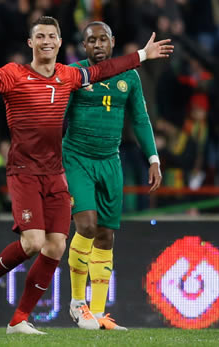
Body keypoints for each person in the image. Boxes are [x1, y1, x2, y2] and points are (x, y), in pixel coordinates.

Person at [0, 16, 172, 335]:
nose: (47, 40)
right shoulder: (12, 75)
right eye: (41, 36)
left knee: (56, 246)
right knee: (34, 241)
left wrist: (143, 55)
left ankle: (19, 319)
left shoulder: (68, 75)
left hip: (55, 172)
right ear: (31, 43)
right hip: (23, 171)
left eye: (52, 36)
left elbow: (104, 71)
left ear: (60, 43)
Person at [63, 22, 162, 331]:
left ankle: (98, 314)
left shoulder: (129, 77)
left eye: (102, 38)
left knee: (106, 235)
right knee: (87, 225)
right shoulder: (75, 75)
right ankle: (77, 304)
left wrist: (153, 158)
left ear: (112, 41)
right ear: (83, 46)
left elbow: (141, 119)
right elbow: (56, 118)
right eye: (91, 40)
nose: (97, 45)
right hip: (77, 158)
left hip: (110, 160)